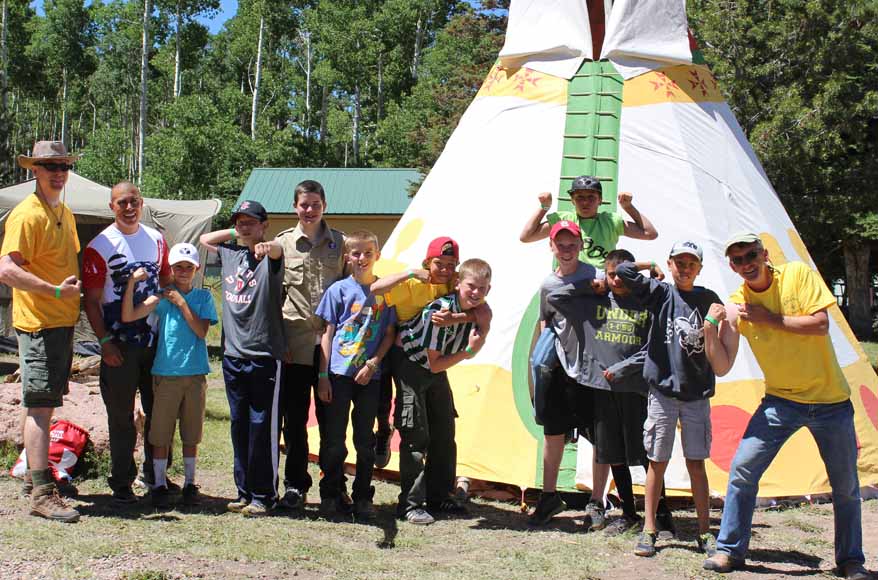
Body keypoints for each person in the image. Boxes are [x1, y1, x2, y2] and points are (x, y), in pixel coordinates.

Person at [701, 233, 870, 580]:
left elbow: (821, 325)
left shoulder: (797, 275)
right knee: (743, 471)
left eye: (750, 255)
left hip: (830, 402)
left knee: (846, 487)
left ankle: (851, 561)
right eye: (737, 260)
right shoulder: (738, 304)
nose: (746, 264)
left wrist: (769, 319)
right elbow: (722, 366)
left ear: (764, 254)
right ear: (731, 266)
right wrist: (709, 328)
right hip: (780, 402)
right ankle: (729, 551)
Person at [538, 247, 672, 534]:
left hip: (636, 387)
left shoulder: (647, 299)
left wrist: (647, 264)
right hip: (604, 387)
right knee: (615, 454)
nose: (618, 281)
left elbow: (658, 334)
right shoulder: (592, 299)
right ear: (605, 275)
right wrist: (591, 284)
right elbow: (556, 298)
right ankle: (629, 513)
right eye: (612, 275)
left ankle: (661, 513)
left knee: (649, 453)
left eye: (624, 275)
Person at [614, 240, 724, 558]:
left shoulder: (708, 299)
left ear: (700, 268)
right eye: (679, 262)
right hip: (662, 393)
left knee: (696, 463)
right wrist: (649, 265)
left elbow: (725, 330)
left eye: (692, 263)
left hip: (696, 395)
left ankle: (705, 532)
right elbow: (621, 270)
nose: (685, 268)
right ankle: (650, 529)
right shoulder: (661, 293)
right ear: (671, 264)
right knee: (657, 462)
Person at [0, 141, 82, 522]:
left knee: (40, 405)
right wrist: (53, 291)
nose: (59, 172)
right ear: (34, 169)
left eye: (63, 165)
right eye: (50, 165)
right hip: (38, 323)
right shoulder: (26, 214)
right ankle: (43, 493)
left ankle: (35, 479)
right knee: (40, 407)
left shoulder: (62, 210)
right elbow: (6, 270)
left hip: (60, 324)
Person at [82, 181, 172, 504]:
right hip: (118, 345)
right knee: (121, 416)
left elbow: (166, 280)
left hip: (154, 342)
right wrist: (104, 342)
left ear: (142, 202)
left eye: (133, 201)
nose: (129, 207)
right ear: (112, 207)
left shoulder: (157, 240)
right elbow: (91, 301)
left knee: (158, 411)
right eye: (122, 203)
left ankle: (157, 476)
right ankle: (122, 481)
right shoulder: (100, 246)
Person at [370, 237, 491, 472]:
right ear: (428, 262)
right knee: (395, 406)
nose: (445, 270)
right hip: (402, 347)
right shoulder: (414, 283)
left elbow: (481, 310)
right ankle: (383, 431)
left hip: (430, 350)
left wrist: (456, 318)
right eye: (439, 264)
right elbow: (375, 289)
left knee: (440, 424)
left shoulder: (452, 284)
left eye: (450, 264)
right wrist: (410, 273)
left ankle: (440, 492)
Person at [200, 200, 285, 516]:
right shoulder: (230, 253)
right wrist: (236, 232)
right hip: (233, 355)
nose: (244, 226)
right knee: (240, 425)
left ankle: (265, 494)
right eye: (240, 221)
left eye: (252, 221)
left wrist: (265, 243)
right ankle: (243, 491)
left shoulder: (270, 257)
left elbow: (277, 250)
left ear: (265, 224)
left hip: (264, 354)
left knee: (262, 425)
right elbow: (205, 241)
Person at [393, 258, 492, 524]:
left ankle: (439, 495)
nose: (476, 293)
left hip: (437, 369)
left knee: (445, 432)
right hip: (414, 366)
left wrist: (463, 319)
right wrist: (469, 351)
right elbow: (435, 363)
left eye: (482, 288)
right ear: (458, 284)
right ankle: (410, 504)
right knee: (416, 436)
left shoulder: (477, 308)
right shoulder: (438, 313)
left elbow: (486, 317)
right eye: (471, 286)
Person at [120, 243, 218, 508]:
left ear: (197, 269)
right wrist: (130, 283)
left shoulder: (203, 298)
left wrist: (182, 303)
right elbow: (129, 315)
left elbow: (201, 331)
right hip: (165, 372)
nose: (183, 271)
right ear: (171, 270)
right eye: (178, 267)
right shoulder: (162, 298)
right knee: (160, 433)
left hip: (195, 373)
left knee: (191, 433)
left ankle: (189, 483)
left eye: (188, 267)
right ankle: (159, 484)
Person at [314, 230, 398, 521]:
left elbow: (389, 334)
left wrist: (374, 363)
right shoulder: (338, 291)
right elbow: (327, 334)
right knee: (335, 439)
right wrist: (323, 375)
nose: (362, 258)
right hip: (338, 375)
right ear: (347, 257)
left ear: (377, 255)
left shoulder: (385, 293)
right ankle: (332, 493)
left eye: (368, 253)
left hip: (368, 378)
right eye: (356, 253)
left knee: (365, 440)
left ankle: (363, 495)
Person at [273, 180, 345, 511]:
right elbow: (273, 296)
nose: (310, 209)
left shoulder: (341, 244)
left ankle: (333, 487)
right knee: (295, 419)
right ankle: (295, 485)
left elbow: (351, 292)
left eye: (315, 204)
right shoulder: (283, 244)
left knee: (333, 421)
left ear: (325, 205)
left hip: (332, 347)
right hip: (295, 344)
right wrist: (278, 341)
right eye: (304, 204)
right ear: (295, 207)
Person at [519, 175, 658, 269]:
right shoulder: (563, 220)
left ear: (600, 200)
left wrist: (628, 207)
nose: (585, 202)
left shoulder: (610, 221)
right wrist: (544, 208)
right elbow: (526, 237)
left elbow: (650, 233)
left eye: (591, 197)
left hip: (602, 285)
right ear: (572, 200)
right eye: (579, 197)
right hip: (570, 282)